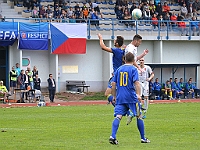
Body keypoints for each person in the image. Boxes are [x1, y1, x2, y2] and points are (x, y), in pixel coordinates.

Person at [109, 52, 150, 145]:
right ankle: (143, 138)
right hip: (131, 97)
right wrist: (139, 95)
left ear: (124, 59)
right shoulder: (133, 69)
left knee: (118, 116)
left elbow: (113, 84)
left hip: (120, 97)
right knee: (139, 116)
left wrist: (114, 96)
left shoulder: (119, 69)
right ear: (134, 60)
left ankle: (113, 136)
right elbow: (136, 83)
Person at [97, 33, 125, 106]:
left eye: (115, 40)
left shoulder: (116, 50)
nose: (114, 41)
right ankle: (120, 108)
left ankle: (120, 108)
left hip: (116, 75)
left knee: (107, 94)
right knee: (119, 94)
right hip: (122, 75)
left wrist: (100, 38)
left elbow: (103, 47)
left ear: (117, 43)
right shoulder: (123, 51)